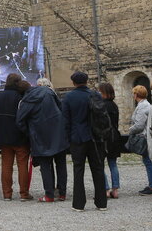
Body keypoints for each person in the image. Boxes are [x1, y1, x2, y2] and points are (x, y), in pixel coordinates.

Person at [17, 81, 68, 203]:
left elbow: (19, 121)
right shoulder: (48, 91)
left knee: (45, 166)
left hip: (40, 136)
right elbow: (61, 108)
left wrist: (29, 132)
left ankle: (49, 195)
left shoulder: (25, 102)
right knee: (61, 164)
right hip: (58, 132)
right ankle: (62, 193)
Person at [62, 72, 107, 212]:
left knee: (78, 170)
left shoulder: (68, 97)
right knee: (98, 169)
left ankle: (79, 204)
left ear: (73, 82)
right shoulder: (95, 95)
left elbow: (65, 120)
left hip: (77, 137)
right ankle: (101, 203)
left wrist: (68, 138)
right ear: (87, 81)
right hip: (95, 137)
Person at [0, 73, 32, 201]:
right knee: (22, 165)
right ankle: (24, 194)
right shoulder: (20, 97)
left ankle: (7, 194)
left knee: (6, 165)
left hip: (3, 136)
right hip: (19, 136)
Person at [129, 85, 152, 195]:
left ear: (136, 95)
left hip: (144, 137)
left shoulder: (142, 106)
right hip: (147, 136)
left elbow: (139, 125)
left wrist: (130, 130)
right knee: (148, 161)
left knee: (148, 161)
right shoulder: (146, 105)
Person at [99, 83, 121, 200]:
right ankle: (115, 189)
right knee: (113, 163)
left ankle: (106, 189)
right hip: (114, 136)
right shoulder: (114, 106)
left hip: (105, 137)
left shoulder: (101, 105)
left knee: (100, 164)